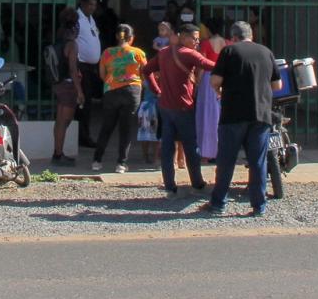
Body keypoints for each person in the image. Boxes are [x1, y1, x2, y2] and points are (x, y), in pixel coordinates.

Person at [202, 20, 281, 217]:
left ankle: (218, 203)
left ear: (233, 38)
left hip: (233, 115)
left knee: (226, 161)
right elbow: (277, 85)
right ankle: (258, 206)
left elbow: (215, 80)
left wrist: (219, 89)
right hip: (261, 115)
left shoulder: (229, 52)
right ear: (251, 36)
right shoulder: (266, 52)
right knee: (258, 162)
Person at [145, 19, 216, 196]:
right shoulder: (189, 54)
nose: (197, 42)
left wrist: (157, 90)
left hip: (165, 107)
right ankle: (197, 184)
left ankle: (170, 187)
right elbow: (211, 66)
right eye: (195, 38)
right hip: (184, 107)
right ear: (184, 38)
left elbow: (146, 70)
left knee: (167, 148)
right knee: (191, 147)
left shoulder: (163, 53)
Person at [91, 23, 149, 172]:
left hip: (111, 91)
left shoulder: (107, 53)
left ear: (117, 36)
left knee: (107, 127)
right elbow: (144, 74)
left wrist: (112, 82)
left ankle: (97, 161)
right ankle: (121, 164)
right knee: (126, 128)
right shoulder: (138, 53)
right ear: (132, 38)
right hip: (132, 91)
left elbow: (102, 75)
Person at [45, 12, 84, 166]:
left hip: (58, 84)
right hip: (68, 86)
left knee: (59, 120)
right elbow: (73, 69)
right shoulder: (72, 44)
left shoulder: (58, 41)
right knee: (64, 121)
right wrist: (80, 91)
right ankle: (58, 154)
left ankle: (57, 152)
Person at [71, 0, 104, 153]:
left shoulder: (91, 19)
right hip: (81, 66)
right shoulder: (77, 18)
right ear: (83, 3)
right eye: (90, 4)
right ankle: (83, 136)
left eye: (94, 5)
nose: (92, 7)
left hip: (91, 67)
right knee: (83, 103)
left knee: (88, 102)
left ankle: (84, 135)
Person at [194, 17, 226, 165]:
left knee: (207, 115)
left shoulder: (205, 44)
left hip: (208, 79)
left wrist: (197, 83)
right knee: (221, 115)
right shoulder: (228, 44)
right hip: (224, 78)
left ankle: (207, 150)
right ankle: (221, 150)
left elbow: (201, 66)